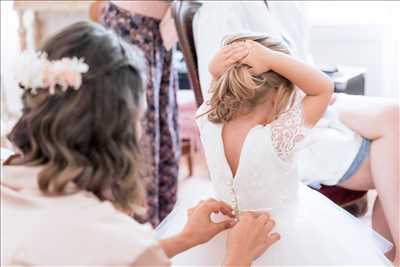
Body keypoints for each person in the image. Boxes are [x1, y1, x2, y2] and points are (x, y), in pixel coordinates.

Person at [1, 22, 280, 266]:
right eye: (140, 116)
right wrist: (238, 258)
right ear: (118, 130)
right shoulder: (119, 240)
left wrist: (184, 239)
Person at [156, 34, 392, 265]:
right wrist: (270, 58)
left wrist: (215, 68)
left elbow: (216, 82)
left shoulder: (208, 119)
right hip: (276, 233)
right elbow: (323, 88)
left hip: (221, 229)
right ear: (280, 93)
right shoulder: (278, 137)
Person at [100, 1, 180, 226]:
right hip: (131, 25)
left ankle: (161, 231)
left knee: (161, 131)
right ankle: (139, 230)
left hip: (160, 29)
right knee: (138, 131)